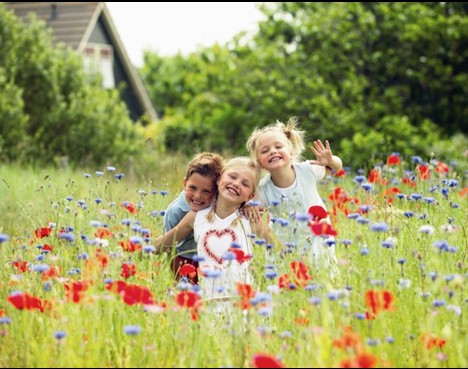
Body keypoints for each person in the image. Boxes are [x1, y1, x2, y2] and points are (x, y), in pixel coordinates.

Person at [155, 157, 278, 304]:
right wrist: (130, 244)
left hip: (243, 302)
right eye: (232, 177)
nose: (236, 183)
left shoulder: (250, 220)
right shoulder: (195, 218)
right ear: (219, 180)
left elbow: (280, 250)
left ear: (250, 196)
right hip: (208, 303)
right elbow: (162, 244)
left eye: (245, 184)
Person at [246, 117, 342, 275]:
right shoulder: (263, 189)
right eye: (265, 151)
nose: (273, 151)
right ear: (259, 162)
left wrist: (330, 160)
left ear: (290, 152)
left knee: (324, 281)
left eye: (278, 146)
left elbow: (335, 168)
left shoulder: (307, 170)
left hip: (318, 243)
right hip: (286, 249)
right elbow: (254, 222)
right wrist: (279, 247)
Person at [163, 152, 224, 284]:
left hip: (212, 262)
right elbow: (170, 250)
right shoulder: (176, 211)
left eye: (206, 191)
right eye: (192, 188)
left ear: (217, 191)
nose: (197, 196)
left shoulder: (220, 206)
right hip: (185, 261)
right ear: (185, 184)